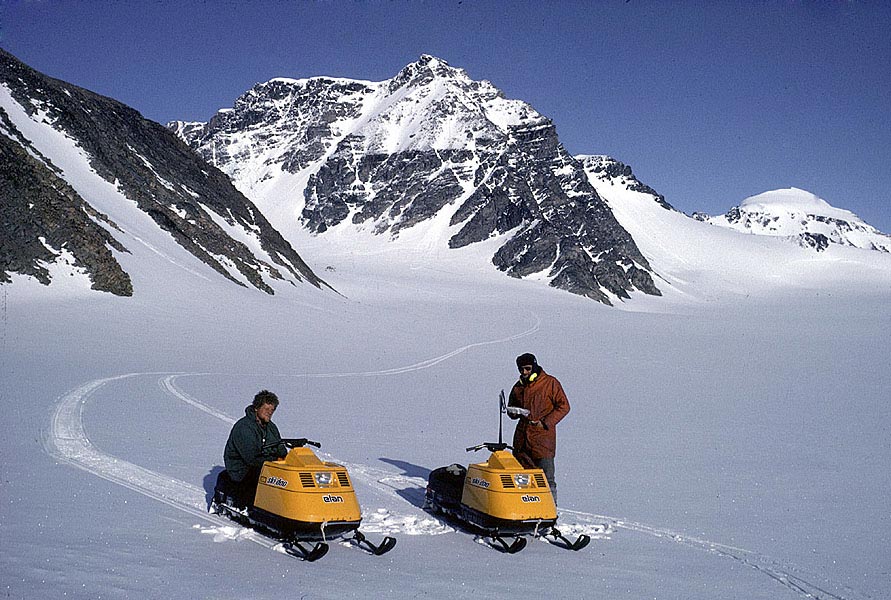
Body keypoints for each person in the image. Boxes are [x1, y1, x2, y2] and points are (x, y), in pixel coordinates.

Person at [507, 353, 570, 500]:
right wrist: (513, 412)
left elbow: (564, 406)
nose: (524, 373)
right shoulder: (518, 386)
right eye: (521, 369)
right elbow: (511, 407)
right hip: (522, 440)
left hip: (543, 440)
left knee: (547, 481)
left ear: (534, 366)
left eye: (527, 369)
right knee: (522, 480)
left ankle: (550, 513)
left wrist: (545, 423)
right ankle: (525, 513)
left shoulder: (550, 383)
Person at [219, 389, 288, 508]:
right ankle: (253, 507)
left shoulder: (271, 427)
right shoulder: (244, 427)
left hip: (263, 464)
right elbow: (251, 458)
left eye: (272, 410)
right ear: (256, 408)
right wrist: (275, 459)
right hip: (241, 468)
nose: (269, 413)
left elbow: (280, 448)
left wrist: (286, 459)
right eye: (266, 409)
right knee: (266, 478)